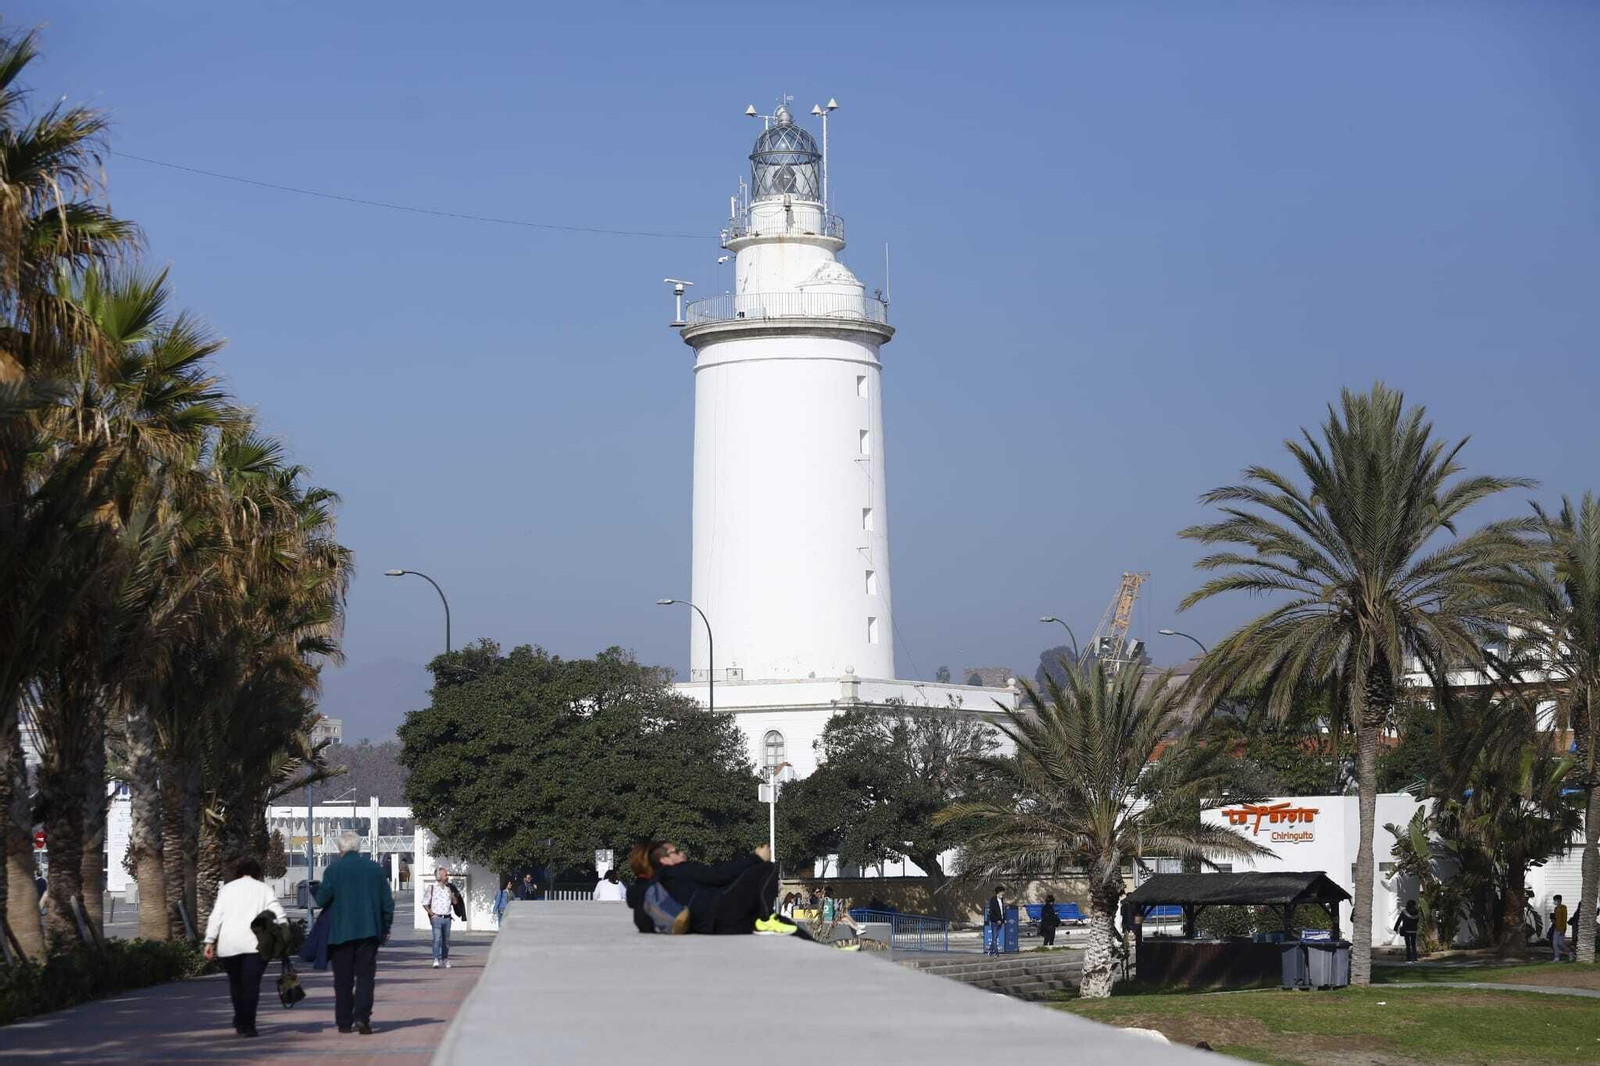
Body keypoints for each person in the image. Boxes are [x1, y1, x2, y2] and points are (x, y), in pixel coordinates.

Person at [315, 830, 395, 1035]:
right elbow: (388, 903)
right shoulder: (375, 869)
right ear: (358, 848)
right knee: (366, 977)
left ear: (340, 849)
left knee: (342, 980)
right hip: (369, 932)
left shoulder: (334, 870)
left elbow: (322, 899)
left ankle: (343, 1021)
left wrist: (317, 890)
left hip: (340, 933)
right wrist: (385, 928)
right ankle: (362, 1018)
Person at [202, 856, 288, 1038]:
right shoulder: (263, 889)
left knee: (236, 984)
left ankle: (240, 1019)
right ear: (257, 872)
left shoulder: (227, 889)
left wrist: (209, 941)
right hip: (255, 946)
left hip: (229, 945)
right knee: (252, 986)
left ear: (237, 872)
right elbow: (278, 913)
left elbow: (216, 916)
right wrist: (283, 932)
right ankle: (248, 1024)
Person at [642, 841, 798, 935]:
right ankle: (765, 920)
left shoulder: (660, 881)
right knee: (765, 868)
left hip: (704, 926)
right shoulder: (680, 869)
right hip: (717, 911)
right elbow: (718, 876)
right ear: (664, 860)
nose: (681, 852)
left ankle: (758, 921)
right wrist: (756, 857)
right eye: (675, 851)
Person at [422, 867, 462, 969]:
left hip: (447, 918)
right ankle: (436, 959)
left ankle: (445, 959)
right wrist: (431, 913)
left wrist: (452, 896)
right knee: (437, 939)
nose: (447, 876)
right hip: (437, 918)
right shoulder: (432, 888)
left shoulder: (448, 888)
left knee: (446, 940)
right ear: (439, 876)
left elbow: (455, 902)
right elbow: (425, 903)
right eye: (445, 875)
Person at [985, 887, 1007, 956]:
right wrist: (997, 919)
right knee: (994, 937)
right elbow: (992, 911)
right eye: (1002, 892)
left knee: (995, 937)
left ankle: (990, 951)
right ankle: (995, 952)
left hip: (1001, 921)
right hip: (995, 921)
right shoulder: (993, 900)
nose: (1003, 893)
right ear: (999, 892)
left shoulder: (1002, 900)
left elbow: (1002, 910)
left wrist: (1004, 919)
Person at [1550, 895, 1573, 961]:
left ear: (1559, 900)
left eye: (1555, 900)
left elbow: (1564, 919)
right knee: (1554, 943)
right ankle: (1557, 957)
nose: (1554, 902)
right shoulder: (1556, 908)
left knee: (1560, 943)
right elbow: (1556, 918)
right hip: (1556, 927)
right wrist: (1553, 920)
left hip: (1561, 928)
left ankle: (1570, 952)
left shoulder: (1563, 908)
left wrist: (1562, 929)